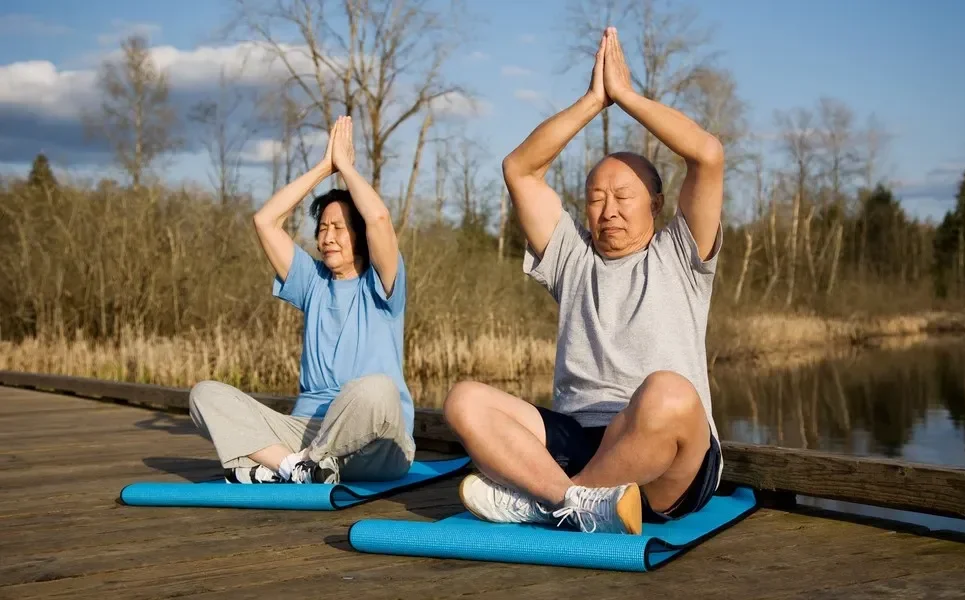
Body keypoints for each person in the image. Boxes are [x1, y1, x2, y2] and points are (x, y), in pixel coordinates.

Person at [443, 28, 725, 534]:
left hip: (660, 453)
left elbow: (707, 154)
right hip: (575, 439)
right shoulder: (573, 255)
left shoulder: (681, 254)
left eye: (623, 196)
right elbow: (520, 170)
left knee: (670, 394)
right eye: (596, 198)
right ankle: (572, 501)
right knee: (463, 399)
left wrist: (628, 98)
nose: (608, 210)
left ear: (656, 207)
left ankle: (551, 504)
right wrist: (593, 101)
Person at [189, 115, 416, 485]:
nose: (327, 237)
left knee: (376, 389)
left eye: (339, 228)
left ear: (360, 236)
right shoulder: (312, 281)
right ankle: (297, 467)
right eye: (322, 228)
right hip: (306, 430)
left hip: (377, 443)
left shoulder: (384, 284)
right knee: (205, 396)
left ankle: (292, 464)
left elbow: (378, 217)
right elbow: (265, 221)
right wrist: (323, 168)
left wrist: (345, 168)